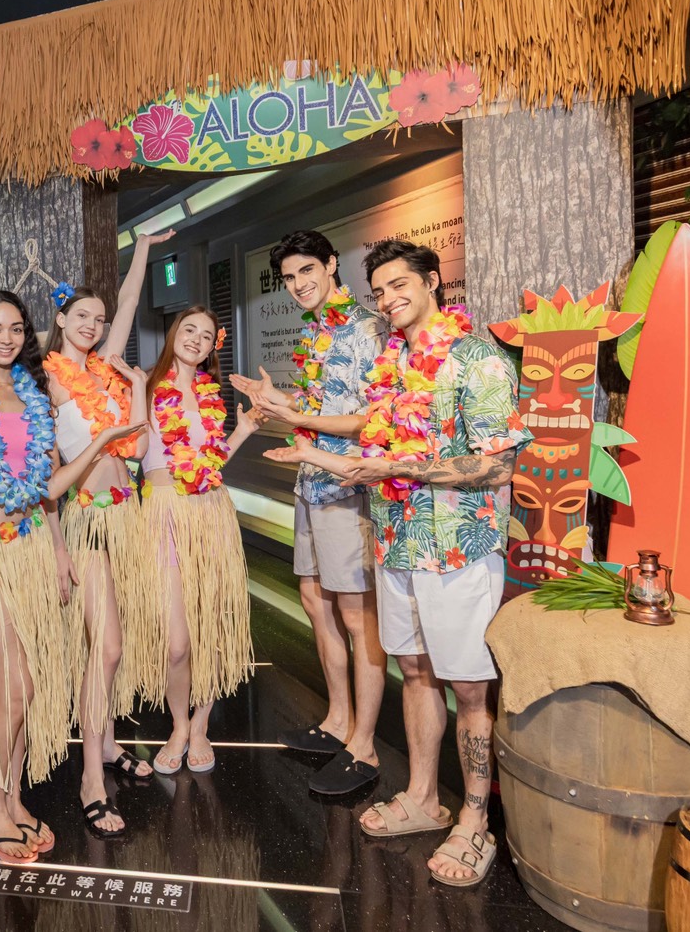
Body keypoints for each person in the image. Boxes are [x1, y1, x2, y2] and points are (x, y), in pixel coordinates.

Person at [265, 240, 530, 887]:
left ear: (433, 280)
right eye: (379, 290)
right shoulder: (392, 361)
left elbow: (497, 464)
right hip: (396, 541)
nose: (387, 299)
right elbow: (373, 452)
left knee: (469, 688)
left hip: (457, 549)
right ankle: (422, 797)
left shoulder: (477, 359)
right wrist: (315, 455)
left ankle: (474, 820)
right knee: (414, 672)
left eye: (399, 285)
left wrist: (399, 468)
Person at [0, 290, 145, 865]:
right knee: (15, 683)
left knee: (21, 685)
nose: (6, 338)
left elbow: (47, 490)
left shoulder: (35, 399)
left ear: (27, 334)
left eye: (16, 329)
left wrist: (59, 545)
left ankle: (13, 800)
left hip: (28, 549)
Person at [230, 230, 388, 796]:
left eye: (307, 271)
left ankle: (364, 744)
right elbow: (322, 405)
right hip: (311, 481)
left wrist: (302, 422)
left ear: (330, 265)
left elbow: (372, 419)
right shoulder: (317, 331)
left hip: (347, 484)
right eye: (289, 277)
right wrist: (278, 402)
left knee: (356, 615)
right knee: (314, 601)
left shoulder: (368, 329)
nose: (298, 284)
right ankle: (338, 720)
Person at [42, 230, 172, 839]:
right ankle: (91, 778)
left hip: (127, 515)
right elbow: (46, 474)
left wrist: (142, 249)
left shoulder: (104, 369)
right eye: (82, 317)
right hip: (89, 519)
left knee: (117, 640)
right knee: (108, 647)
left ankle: (111, 743)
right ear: (60, 319)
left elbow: (129, 303)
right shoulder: (48, 380)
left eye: (99, 318)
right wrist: (57, 546)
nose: (93, 326)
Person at [140, 306, 262, 775]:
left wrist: (243, 431)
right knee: (176, 642)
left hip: (210, 512)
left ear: (214, 346)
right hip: (163, 513)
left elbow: (209, 465)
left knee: (208, 627)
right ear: (174, 334)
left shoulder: (212, 394)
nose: (196, 339)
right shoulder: (145, 386)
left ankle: (200, 725)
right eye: (188, 329)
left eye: (206, 335)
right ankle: (177, 724)